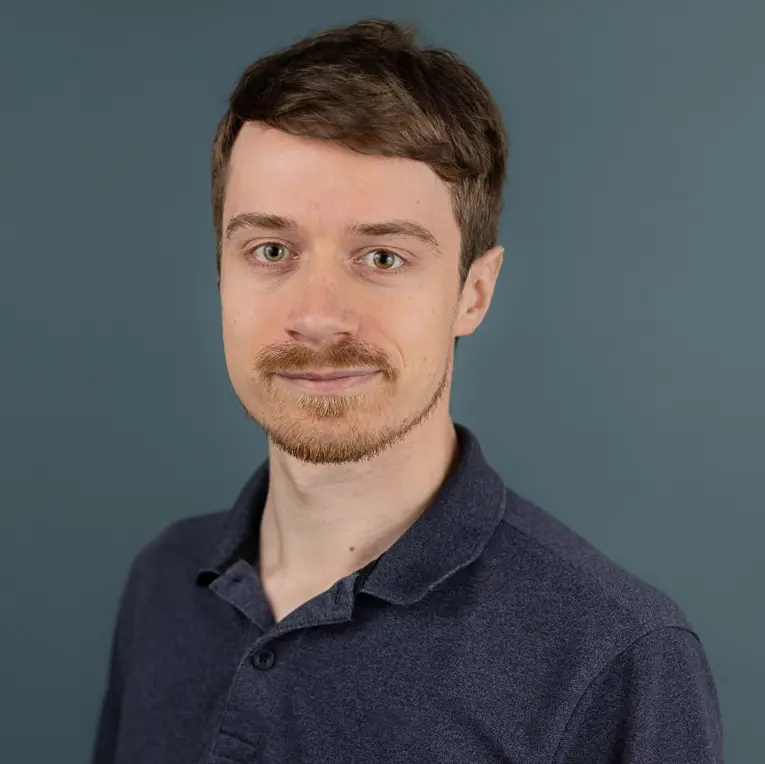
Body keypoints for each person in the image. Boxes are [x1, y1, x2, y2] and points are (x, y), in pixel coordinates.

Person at [91, 17, 724, 764]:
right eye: (271, 249)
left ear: (473, 293)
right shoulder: (165, 580)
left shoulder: (615, 656)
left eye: (383, 257)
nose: (317, 316)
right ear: (222, 273)